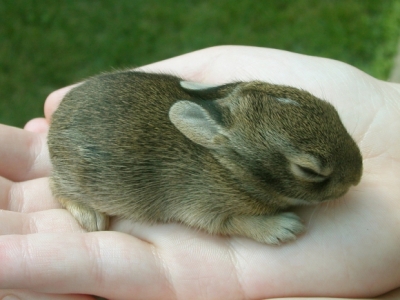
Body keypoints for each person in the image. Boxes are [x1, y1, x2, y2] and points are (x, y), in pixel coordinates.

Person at [0, 46, 399, 300]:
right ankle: (68, 193)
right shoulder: (217, 178)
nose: (350, 180)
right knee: (90, 182)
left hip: (110, 102)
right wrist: (252, 225)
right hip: (91, 153)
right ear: (213, 136)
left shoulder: (236, 113)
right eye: (312, 170)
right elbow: (208, 214)